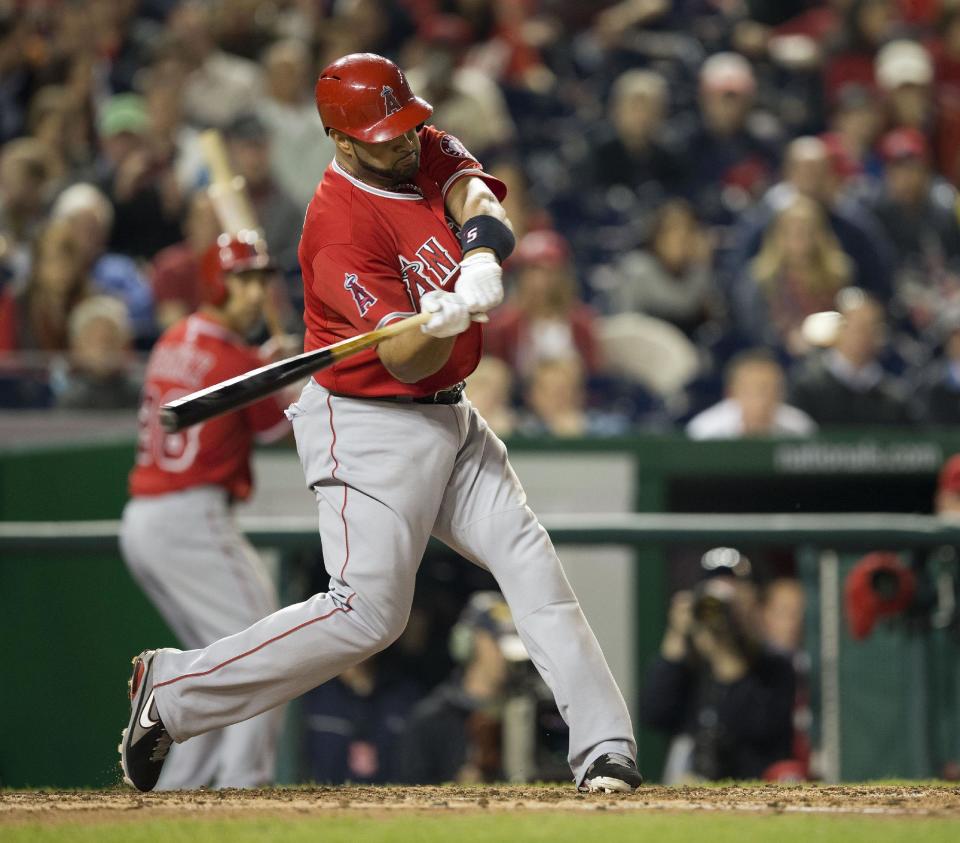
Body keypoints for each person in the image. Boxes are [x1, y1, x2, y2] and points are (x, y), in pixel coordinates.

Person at [119, 53, 641, 796]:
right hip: (368, 424)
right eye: (385, 136)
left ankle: (603, 749)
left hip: (449, 413)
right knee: (366, 616)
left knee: (528, 558)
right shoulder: (335, 227)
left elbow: (475, 196)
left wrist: (483, 259)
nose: (404, 144)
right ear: (341, 138)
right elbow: (398, 357)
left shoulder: (415, 143)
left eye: (406, 127)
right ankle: (170, 691)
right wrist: (437, 320)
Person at [119, 231, 291, 790]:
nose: (255, 294)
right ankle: (246, 786)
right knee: (270, 651)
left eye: (260, 281)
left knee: (216, 666)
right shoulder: (232, 356)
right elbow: (275, 428)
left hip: (145, 518)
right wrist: (289, 374)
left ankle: (178, 793)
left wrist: (269, 368)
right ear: (217, 283)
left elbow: (231, 380)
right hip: (190, 517)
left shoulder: (174, 338)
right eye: (244, 281)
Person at [639, 554, 796, 783]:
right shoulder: (691, 665)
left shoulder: (774, 665)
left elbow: (762, 726)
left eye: (732, 595)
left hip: (755, 788)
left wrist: (725, 653)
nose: (720, 608)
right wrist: (676, 636)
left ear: (752, 600)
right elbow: (653, 714)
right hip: (690, 785)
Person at [398, 591, 566, 784]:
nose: (508, 657)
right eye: (498, 641)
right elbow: (409, 790)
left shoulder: (536, 711)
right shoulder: (431, 719)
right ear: (473, 641)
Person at [686, 349, 817, 440]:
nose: (764, 398)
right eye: (754, 389)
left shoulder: (800, 429)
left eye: (772, 389)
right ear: (731, 393)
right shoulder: (705, 432)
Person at [53, 294, 142, 411]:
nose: (103, 346)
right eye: (93, 338)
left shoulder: (141, 394)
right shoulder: (70, 399)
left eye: (110, 337)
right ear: (77, 346)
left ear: (123, 344)